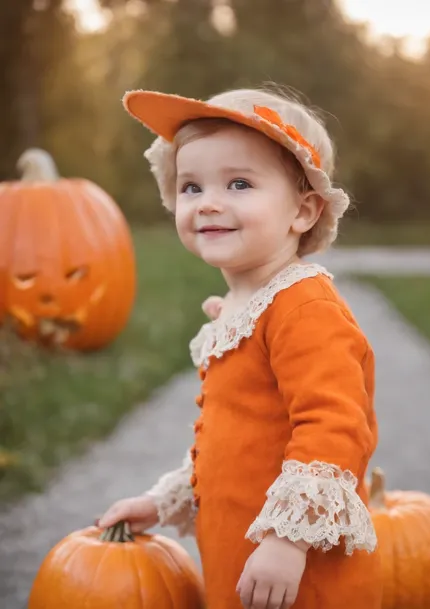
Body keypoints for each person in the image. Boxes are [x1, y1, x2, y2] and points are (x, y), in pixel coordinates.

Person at [98, 86, 382, 609]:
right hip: (240, 563)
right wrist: (164, 502)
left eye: (238, 183)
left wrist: (288, 539)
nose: (208, 202)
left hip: (300, 576)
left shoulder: (303, 307)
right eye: (190, 187)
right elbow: (233, 443)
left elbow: (335, 428)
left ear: (303, 212)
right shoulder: (239, 309)